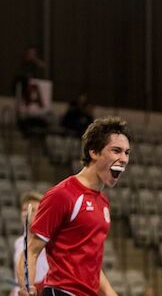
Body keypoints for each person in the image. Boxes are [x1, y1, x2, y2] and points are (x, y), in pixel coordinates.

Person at [17, 116, 131, 296]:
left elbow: (89, 260)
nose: (123, 158)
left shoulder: (103, 202)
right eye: (116, 151)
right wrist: (27, 287)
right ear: (94, 152)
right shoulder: (63, 194)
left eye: (127, 153)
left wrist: (110, 292)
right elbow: (31, 250)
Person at [10, 192, 49, 296]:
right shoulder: (18, 243)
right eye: (24, 210)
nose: (26, 213)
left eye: (33, 209)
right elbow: (16, 278)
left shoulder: (47, 243)